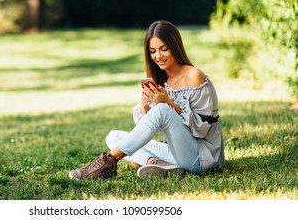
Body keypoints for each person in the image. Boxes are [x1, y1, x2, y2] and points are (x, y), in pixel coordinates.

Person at [69, 20, 225, 179]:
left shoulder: (194, 76)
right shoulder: (162, 81)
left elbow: (203, 128)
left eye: (164, 49)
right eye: (152, 51)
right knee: (114, 137)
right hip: (177, 154)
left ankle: (107, 162)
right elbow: (150, 131)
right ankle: (158, 164)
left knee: (162, 110)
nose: (158, 56)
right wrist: (145, 108)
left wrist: (168, 103)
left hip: (202, 158)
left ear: (175, 47)